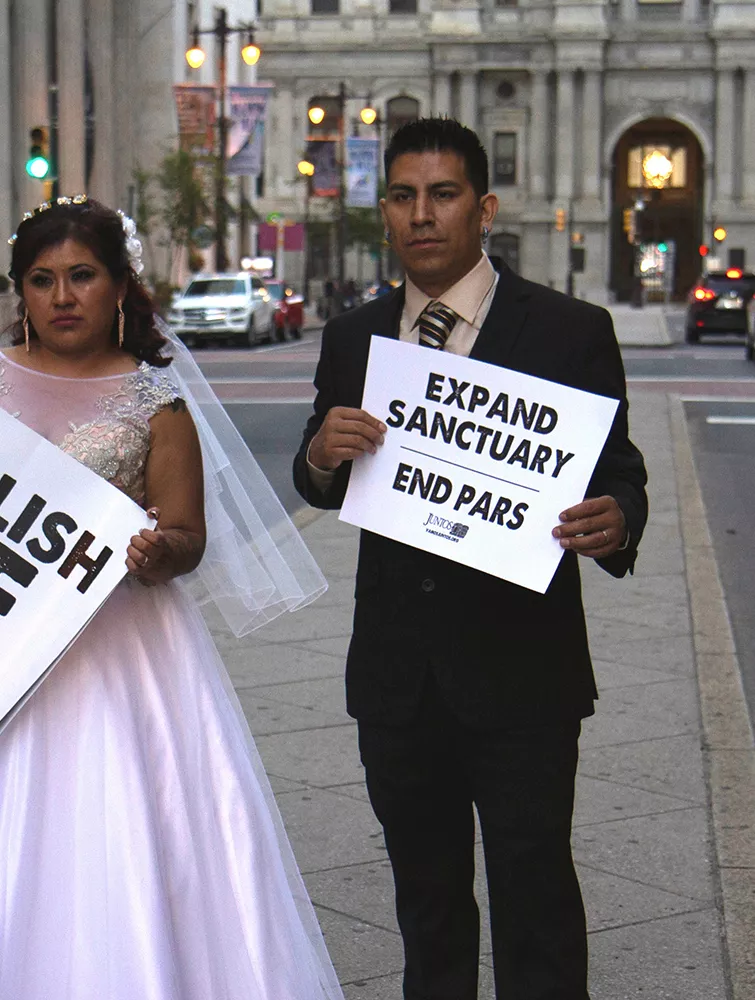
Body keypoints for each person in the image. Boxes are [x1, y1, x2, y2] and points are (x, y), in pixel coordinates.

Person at [293, 118, 648, 1000]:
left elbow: (617, 472)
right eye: (403, 196)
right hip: (398, 679)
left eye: (442, 194)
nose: (422, 214)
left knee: (536, 897)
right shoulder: (354, 337)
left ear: (482, 208)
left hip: (523, 671)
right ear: (386, 212)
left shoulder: (568, 330)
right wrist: (321, 456)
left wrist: (616, 521)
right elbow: (318, 477)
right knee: (427, 906)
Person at [0, 196, 343, 1000]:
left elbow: (188, 535)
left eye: (82, 275)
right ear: (22, 291)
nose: (62, 296)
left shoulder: (156, 402)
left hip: (119, 651)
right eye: (42, 280)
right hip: (11, 635)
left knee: (122, 826)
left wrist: (159, 552)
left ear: (120, 286)